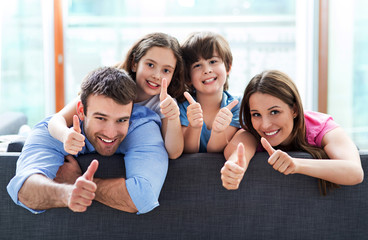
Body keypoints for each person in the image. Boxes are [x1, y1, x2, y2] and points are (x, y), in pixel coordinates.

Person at [7, 67, 168, 214]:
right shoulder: (50, 130)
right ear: (81, 112)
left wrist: (77, 182)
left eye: (121, 120)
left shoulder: (142, 125)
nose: (111, 133)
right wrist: (67, 193)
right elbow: (24, 189)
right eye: (101, 118)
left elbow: (143, 196)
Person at [221, 70, 364, 194]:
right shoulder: (251, 132)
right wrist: (234, 168)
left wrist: (296, 165)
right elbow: (237, 153)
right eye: (256, 114)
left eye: (274, 112)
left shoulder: (321, 126)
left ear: (294, 109)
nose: (265, 125)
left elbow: (355, 172)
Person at [48, 32, 185, 159]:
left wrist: (173, 118)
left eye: (166, 70)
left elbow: (174, 152)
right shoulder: (108, 85)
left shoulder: (165, 103)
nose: (157, 75)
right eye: (150, 65)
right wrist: (65, 135)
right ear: (134, 64)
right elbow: (56, 120)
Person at [179, 31, 240, 153]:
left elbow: (215, 151)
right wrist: (194, 127)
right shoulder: (182, 107)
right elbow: (187, 152)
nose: (207, 70)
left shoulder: (237, 105)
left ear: (228, 66)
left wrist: (219, 131)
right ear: (188, 76)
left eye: (213, 62)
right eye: (197, 65)